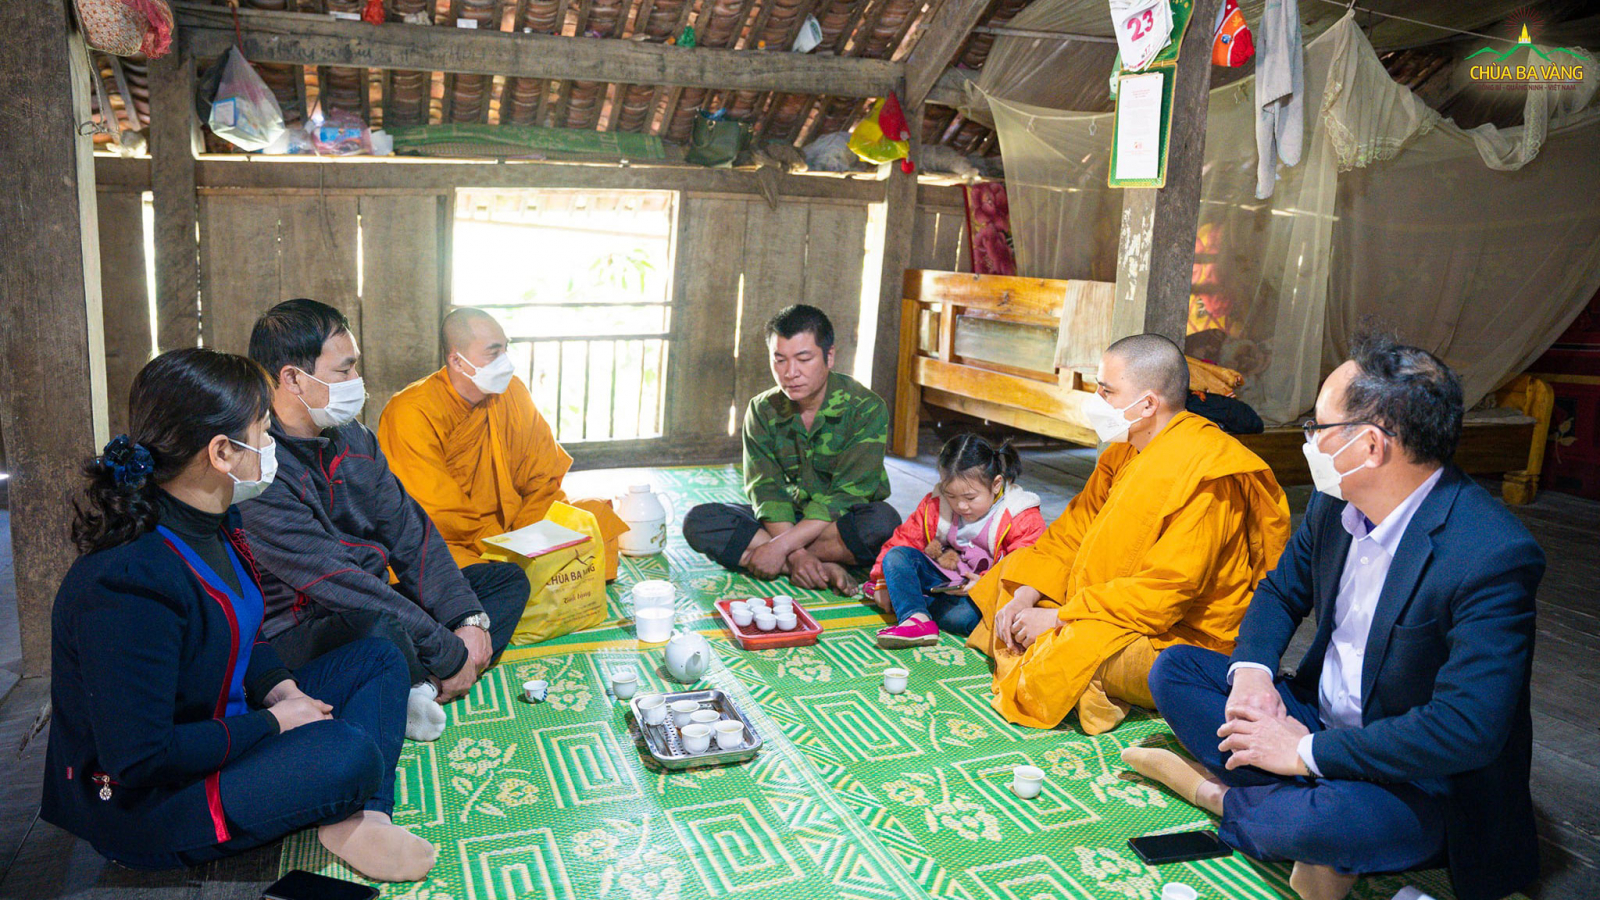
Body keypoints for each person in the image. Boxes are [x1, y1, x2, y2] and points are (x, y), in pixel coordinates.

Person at [1125, 334, 1543, 900]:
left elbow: (1465, 729)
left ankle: (1221, 796)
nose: (1309, 443)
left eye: (1317, 429)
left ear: (1369, 445)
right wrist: (1252, 675)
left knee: (1316, 824)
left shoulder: (1490, 553)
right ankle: (1299, 814)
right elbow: (1278, 592)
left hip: (1413, 773)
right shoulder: (1336, 500)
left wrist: (1300, 753)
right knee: (1174, 670)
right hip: (1319, 720)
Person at [42, 348, 434, 881]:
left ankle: (360, 817)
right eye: (265, 431)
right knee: (347, 751)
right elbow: (140, 760)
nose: (272, 446)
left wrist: (282, 691)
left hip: (220, 729)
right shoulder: (125, 582)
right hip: (150, 805)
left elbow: (241, 637)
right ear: (222, 450)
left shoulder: (215, 520)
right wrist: (273, 724)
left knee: (378, 658)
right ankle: (347, 799)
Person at [967, 333, 1291, 734]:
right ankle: (1047, 631)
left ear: (1148, 403)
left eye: (1106, 392)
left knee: (1081, 653)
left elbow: (1165, 594)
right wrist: (1028, 594)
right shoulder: (1123, 450)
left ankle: (1065, 651)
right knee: (1013, 575)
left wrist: (1057, 618)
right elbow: (1072, 533)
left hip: (1180, 636)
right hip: (1109, 602)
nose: (1096, 403)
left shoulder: (1209, 472)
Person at [241, 299, 530, 744]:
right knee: (382, 626)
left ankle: (424, 688)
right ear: (293, 378)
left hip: (370, 602)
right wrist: (448, 649)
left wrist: (468, 619)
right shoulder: (261, 468)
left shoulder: (353, 438)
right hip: (303, 631)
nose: (357, 383)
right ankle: (427, 677)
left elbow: (411, 534)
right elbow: (339, 582)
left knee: (504, 582)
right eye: (344, 370)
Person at [377, 308, 629, 580]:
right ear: (457, 361)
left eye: (506, 350)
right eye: (493, 353)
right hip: (455, 538)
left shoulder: (512, 392)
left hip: (517, 525)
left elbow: (542, 477)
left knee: (594, 518)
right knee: (446, 570)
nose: (505, 362)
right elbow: (436, 510)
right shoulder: (410, 411)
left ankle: (524, 575)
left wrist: (529, 535)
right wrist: (500, 546)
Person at [682, 304, 900, 594]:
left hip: (835, 524)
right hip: (782, 522)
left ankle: (773, 557)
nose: (790, 373)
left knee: (883, 523)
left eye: (804, 358)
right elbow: (766, 492)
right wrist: (795, 554)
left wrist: (779, 547)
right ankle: (816, 566)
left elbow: (846, 497)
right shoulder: (762, 409)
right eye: (780, 360)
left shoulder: (866, 408)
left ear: (829, 356)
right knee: (700, 521)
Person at [866, 434, 1046, 648]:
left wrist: (984, 585)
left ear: (996, 484)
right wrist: (882, 580)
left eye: (970, 498)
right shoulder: (936, 504)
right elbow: (905, 539)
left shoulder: (1020, 515)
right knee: (896, 558)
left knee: (960, 617)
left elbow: (1025, 568)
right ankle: (917, 619)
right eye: (951, 496)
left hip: (981, 593)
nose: (960, 506)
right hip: (943, 581)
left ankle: (911, 602)